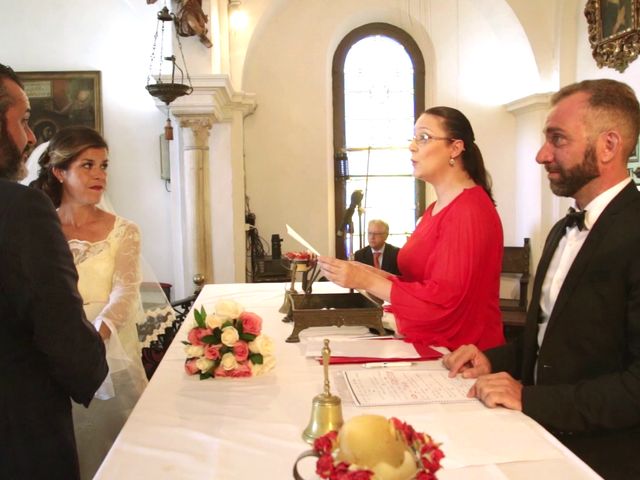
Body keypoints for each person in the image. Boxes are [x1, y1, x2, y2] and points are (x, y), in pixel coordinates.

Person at [444, 79, 640, 480]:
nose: (540, 155)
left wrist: (531, 399)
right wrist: (492, 360)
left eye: (557, 139)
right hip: (535, 431)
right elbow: (550, 344)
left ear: (608, 146)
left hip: (598, 457)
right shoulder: (560, 231)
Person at [319, 107, 505, 351]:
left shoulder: (468, 211)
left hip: (464, 353)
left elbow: (444, 302)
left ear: (455, 148)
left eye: (424, 137)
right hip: (437, 345)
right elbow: (420, 283)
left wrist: (365, 280)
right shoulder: (435, 209)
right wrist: (368, 274)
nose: (412, 146)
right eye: (414, 138)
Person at [0, 64, 108, 479]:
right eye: (24, 121)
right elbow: (59, 323)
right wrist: (91, 365)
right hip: (18, 432)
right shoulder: (20, 208)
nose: (31, 138)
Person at [32, 125, 149, 479]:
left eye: (104, 165)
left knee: (118, 446)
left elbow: (125, 290)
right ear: (59, 172)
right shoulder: (38, 229)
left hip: (108, 350)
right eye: (87, 165)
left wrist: (94, 338)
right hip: (51, 351)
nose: (100, 175)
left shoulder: (124, 230)